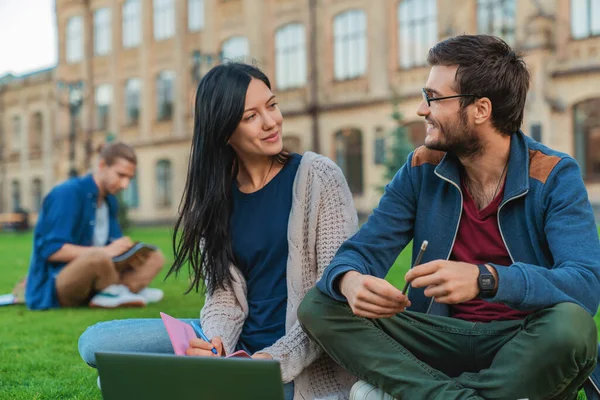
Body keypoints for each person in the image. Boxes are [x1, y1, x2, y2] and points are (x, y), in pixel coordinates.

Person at [298, 34, 600, 400]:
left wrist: (486, 279)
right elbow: (362, 250)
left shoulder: (552, 175)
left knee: (572, 326)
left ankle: (415, 393)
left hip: (522, 339)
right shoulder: (422, 168)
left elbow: (584, 284)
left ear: (481, 109)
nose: (422, 110)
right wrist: (349, 281)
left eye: (434, 98)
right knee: (319, 304)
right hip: (436, 335)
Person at [78, 63, 358, 399]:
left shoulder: (318, 176)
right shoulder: (215, 198)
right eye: (250, 116)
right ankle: (197, 375)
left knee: (124, 380)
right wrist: (216, 344)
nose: (271, 122)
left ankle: (177, 382)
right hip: (235, 347)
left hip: (298, 359)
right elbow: (223, 295)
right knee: (95, 343)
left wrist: (270, 360)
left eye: (271, 105)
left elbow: (332, 301)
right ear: (224, 131)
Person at [25, 142, 165, 310]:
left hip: (100, 270)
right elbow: (50, 249)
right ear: (102, 165)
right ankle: (121, 291)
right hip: (59, 283)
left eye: (129, 178)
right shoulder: (67, 193)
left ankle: (121, 292)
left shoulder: (110, 201)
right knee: (97, 257)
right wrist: (106, 251)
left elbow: (112, 248)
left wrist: (124, 248)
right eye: (120, 175)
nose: (125, 185)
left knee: (154, 256)